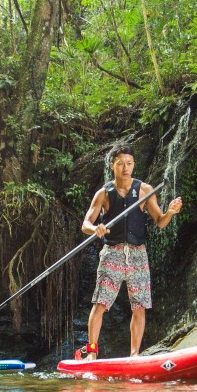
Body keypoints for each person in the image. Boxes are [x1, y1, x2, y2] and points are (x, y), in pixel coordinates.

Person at [79, 144, 182, 360]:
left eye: (129, 163)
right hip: (112, 252)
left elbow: (161, 221)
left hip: (138, 254)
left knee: (140, 306)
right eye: (120, 164)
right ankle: (91, 353)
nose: (125, 168)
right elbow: (86, 223)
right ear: (112, 165)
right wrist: (95, 228)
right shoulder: (104, 193)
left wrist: (170, 212)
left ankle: (134, 354)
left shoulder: (145, 190)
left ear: (133, 164)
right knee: (100, 303)